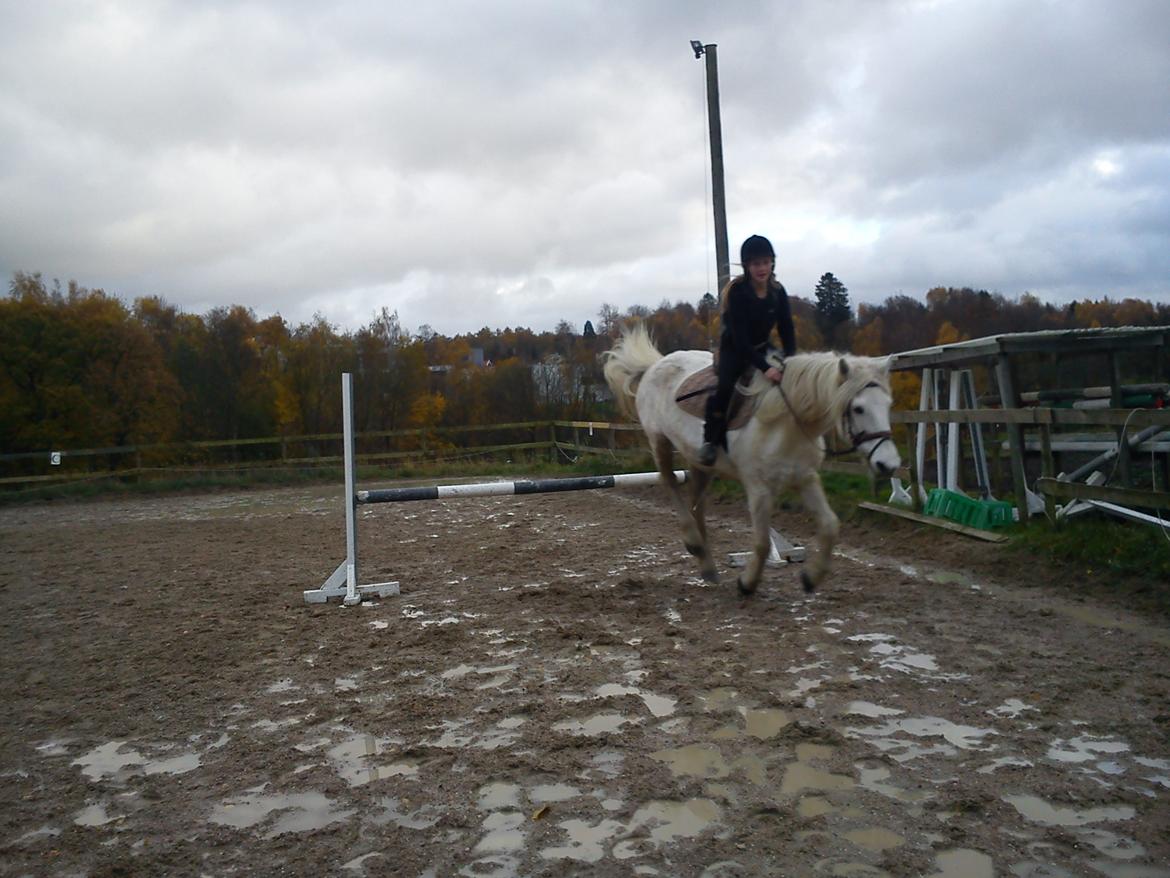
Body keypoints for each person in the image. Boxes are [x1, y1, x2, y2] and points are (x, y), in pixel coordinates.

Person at [698, 234, 796, 466]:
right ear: (747, 266)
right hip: (735, 349)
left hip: (763, 347)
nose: (761, 268)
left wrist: (791, 359)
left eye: (765, 262)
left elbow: (787, 329)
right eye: (755, 264)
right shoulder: (738, 293)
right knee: (725, 387)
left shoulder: (778, 292)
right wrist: (766, 368)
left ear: (772, 263)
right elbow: (741, 340)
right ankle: (710, 440)